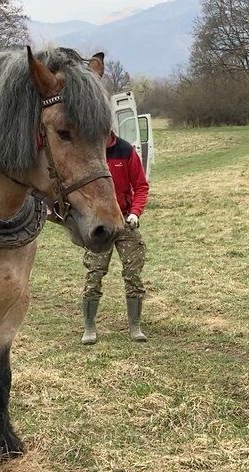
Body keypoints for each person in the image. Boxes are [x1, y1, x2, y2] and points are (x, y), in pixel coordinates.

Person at [81, 131, 149, 344]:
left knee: (133, 273)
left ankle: (135, 326)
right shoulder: (87, 152)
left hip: (124, 220)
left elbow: (141, 186)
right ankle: (89, 327)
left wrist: (135, 213)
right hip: (99, 223)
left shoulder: (125, 150)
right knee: (94, 273)